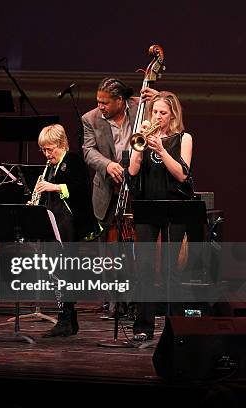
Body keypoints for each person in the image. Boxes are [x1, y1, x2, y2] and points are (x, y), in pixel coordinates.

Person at [81, 78, 157, 316]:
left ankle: (138, 298)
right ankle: (114, 301)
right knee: (108, 249)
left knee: (137, 244)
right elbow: (88, 151)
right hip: (108, 188)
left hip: (138, 186)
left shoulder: (140, 107)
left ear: (120, 101)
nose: (100, 106)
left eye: (105, 102)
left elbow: (168, 113)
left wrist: (157, 96)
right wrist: (107, 165)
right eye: (98, 102)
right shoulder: (90, 119)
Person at [128, 91, 193, 341]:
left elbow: (182, 175)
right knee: (144, 268)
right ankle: (143, 327)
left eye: (163, 113)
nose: (158, 117)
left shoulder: (183, 138)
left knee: (170, 269)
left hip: (174, 206)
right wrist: (140, 146)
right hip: (147, 206)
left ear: (173, 114)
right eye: (155, 112)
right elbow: (133, 170)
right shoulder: (144, 137)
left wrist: (162, 149)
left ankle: (173, 327)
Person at [31, 124, 100, 337]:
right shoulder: (50, 166)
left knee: (65, 272)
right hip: (55, 222)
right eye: (43, 150)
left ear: (62, 144)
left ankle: (66, 319)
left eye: (50, 149)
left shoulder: (73, 160)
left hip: (70, 224)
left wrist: (55, 187)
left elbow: (81, 190)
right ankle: (67, 319)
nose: (47, 154)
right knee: (56, 272)